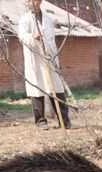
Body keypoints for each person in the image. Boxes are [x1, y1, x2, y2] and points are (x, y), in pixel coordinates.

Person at [18, 0, 71, 130]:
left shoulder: (48, 18)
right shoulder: (24, 19)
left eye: (35, 0)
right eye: (29, 1)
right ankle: (41, 121)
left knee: (57, 88)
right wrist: (33, 37)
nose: (32, 3)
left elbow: (51, 38)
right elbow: (22, 36)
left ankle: (64, 120)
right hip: (35, 58)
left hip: (49, 57)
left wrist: (51, 55)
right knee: (37, 89)